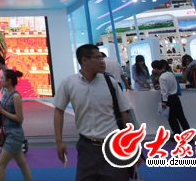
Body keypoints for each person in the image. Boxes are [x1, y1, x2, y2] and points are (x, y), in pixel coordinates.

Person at [54, 44, 133, 181]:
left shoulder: (110, 83)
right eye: (98, 58)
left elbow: (124, 113)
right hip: (86, 148)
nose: (102, 62)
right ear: (85, 60)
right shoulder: (69, 83)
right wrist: (59, 141)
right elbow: (58, 111)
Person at [0, 69, 32, 181]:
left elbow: (19, 118)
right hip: (9, 133)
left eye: (2, 78)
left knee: (0, 164)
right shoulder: (6, 94)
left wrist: (2, 111)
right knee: (22, 164)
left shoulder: (16, 96)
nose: (0, 80)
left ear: (9, 81)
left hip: (15, 135)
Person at [152, 60, 189, 136]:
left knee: (172, 119)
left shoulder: (162, 77)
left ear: (156, 69)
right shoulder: (170, 74)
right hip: (175, 97)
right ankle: (188, 135)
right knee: (181, 117)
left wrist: (164, 101)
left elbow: (164, 91)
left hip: (169, 99)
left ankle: (177, 134)